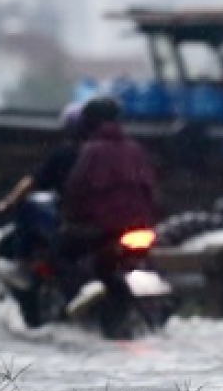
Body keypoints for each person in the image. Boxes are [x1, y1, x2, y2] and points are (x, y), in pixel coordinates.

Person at [55, 96, 158, 313]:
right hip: (139, 227)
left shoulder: (91, 151)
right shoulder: (135, 149)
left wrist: (67, 215)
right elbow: (151, 189)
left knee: (59, 252)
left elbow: (76, 189)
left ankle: (73, 299)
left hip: (102, 229)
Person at [0, 102, 88, 265]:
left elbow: (32, 182)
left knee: (27, 209)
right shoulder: (112, 154)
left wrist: (7, 204)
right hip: (112, 223)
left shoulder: (66, 154)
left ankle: (22, 262)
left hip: (75, 222)